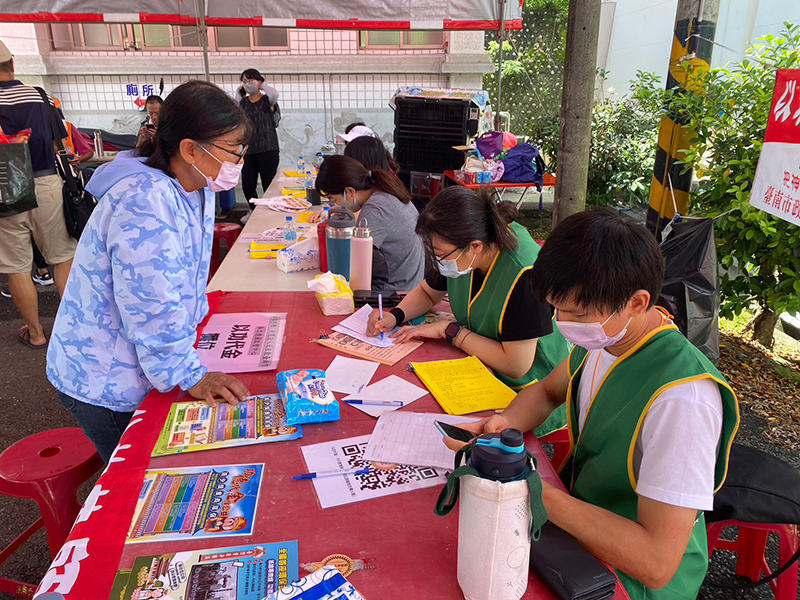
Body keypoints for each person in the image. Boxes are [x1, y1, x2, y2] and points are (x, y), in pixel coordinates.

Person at [446, 208, 740, 599]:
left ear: (637, 302)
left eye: (576, 313)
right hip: (578, 526)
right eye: (557, 307)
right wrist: (503, 422)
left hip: (626, 579)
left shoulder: (683, 401)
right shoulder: (606, 339)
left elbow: (655, 563)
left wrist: (529, 487)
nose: (561, 322)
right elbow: (549, 391)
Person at [46, 80, 251, 463]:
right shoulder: (145, 199)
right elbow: (151, 304)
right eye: (234, 150)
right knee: (142, 477)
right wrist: (192, 375)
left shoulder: (193, 185)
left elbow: (178, 278)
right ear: (190, 149)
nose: (240, 161)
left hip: (141, 362)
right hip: (107, 377)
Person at [368, 186, 570, 435]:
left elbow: (516, 365)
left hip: (527, 392)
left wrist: (450, 331)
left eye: (441, 254)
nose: (438, 261)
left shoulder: (525, 273)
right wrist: (394, 315)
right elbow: (428, 292)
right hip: (480, 367)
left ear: (474, 246)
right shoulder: (464, 250)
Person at [0, 39, 76, 349]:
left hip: (5, 189)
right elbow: (63, 141)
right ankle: (73, 327)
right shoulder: (40, 97)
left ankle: (36, 332)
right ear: (13, 66)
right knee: (62, 258)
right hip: (46, 184)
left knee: (17, 266)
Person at [315, 155, 424, 292]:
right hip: (410, 285)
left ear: (349, 191)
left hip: (393, 294)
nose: (337, 205)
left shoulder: (374, 209)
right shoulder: (385, 191)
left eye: (335, 200)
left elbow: (357, 269)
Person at [237, 68, 280, 201]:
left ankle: (270, 211)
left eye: (250, 80)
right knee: (248, 186)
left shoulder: (268, 100)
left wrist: (263, 85)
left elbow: (274, 94)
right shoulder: (243, 103)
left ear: (259, 82)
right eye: (244, 81)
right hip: (248, 150)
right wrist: (239, 93)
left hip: (268, 148)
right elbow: (234, 107)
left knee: (269, 184)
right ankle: (253, 210)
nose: (247, 83)